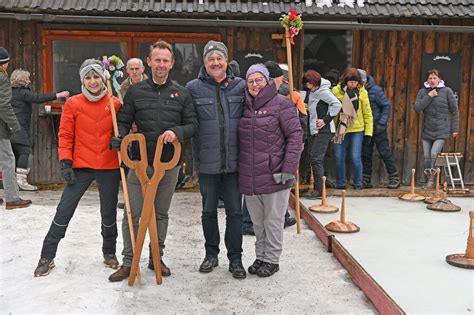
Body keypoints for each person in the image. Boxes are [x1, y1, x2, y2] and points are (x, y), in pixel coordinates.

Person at [108, 40, 197, 282]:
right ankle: (129, 261)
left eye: (165, 60)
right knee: (132, 213)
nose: (161, 64)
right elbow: (124, 120)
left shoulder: (181, 93)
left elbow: (192, 124)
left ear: (172, 64)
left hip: (168, 163)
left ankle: (156, 256)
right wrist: (120, 137)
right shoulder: (136, 91)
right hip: (138, 161)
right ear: (149, 62)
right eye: (156, 60)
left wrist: (177, 132)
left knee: (160, 213)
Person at [34, 59, 122, 277]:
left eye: (96, 76)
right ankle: (47, 256)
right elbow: (65, 135)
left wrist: (121, 139)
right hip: (81, 166)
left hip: (108, 165)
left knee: (108, 212)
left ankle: (109, 252)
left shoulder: (114, 103)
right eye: (88, 77)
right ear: (83, 79)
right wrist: (65, 161)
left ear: (103, 78)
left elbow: (125, 128)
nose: (92, 81)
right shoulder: (73, 103)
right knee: (64, 210)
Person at [186, 40, 247, 279]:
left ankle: (236, 258)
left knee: (235, 213)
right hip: (207, 162)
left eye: (219, 58)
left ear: (226, 60)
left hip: (234, 163)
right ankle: (211, 254)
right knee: (208, 212)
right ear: (204, 62)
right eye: (210, 58)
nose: (215, 62)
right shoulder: (193, 87)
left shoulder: (240, 86)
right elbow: (187, 120)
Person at [239, 64, 303, 277]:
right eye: (250, 81)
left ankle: (272, 259)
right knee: (257, 222)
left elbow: (295, 136)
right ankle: (261, 256)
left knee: (273, 220)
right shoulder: (244, 106)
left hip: (276, 174)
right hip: (250, 175)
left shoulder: (281, 104)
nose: (254, 84)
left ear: (267, 81)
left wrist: (289, 168)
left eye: (259, 80)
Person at [9, 69, 70, 191]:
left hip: (10, 126)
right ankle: (21, 181)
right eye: (27, 79)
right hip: (18, 127)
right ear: (21, 80)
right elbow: (37, 98)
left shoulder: (11, 92)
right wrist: (58, 95)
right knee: (24, 150)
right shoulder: (22, 92)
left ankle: (12, 181)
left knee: (14, 153)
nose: (29, 81)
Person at [414, 69, 459, 189]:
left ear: (439, 79)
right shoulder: (423, 92)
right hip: (427, 129)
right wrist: (429, 96)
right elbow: (417, 108)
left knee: (434, 154)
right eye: (430, 78)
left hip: (442, 129)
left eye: (434, 78)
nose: (432, 80)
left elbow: (454, 111)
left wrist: (455, 129)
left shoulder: (447, 91)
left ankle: (431, 181)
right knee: (426, 156)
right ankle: (430, 179)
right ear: (427, 80)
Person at [301, 70, 342, 199]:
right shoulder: (313, 92)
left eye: (309, 84)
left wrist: (326, 119)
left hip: (324, 130)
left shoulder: (323, 91)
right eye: (306, 84)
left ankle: (319, 190)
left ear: (315, 82)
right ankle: (320, 186)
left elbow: (337, 104)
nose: (308, 86)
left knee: (316, 159)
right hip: (315, 129)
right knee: (315, 158)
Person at [0, 47, 32, 210]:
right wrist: (14, 126)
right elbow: (4, 105)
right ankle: (12, 198)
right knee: (8, 160)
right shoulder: (2, 78)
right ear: (4, 64)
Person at [358, 69, 400, 189]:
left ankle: (394, 177)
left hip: (378, 127)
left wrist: (381, 123)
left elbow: (386, 106)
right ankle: (366, 180)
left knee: (384, 152)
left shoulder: (375, 90)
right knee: (365, 153)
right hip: (365, 128)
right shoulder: (357, 91)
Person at [332, 67, 373, 189]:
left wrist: (369, 132)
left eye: (355, 82)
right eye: (350, 82)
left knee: (355, 157)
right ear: (345, 81)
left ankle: (358, 183)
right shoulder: (336, 91)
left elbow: (367, 113)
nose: (352, 85)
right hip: (340, 128)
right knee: (339, 156)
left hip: (357, 129)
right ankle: (340, 183)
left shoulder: (362, 93)